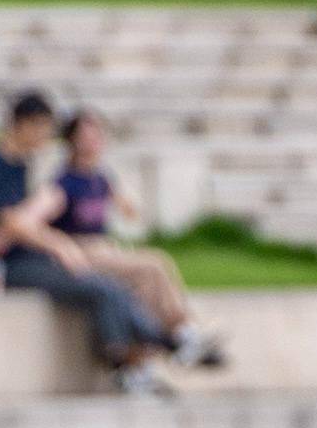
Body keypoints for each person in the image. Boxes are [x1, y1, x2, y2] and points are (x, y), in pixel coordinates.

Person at [0, 89, 171, 396]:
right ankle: (151, 347)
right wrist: (59, 245)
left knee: (107, 283)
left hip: (30, 257)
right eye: (42, 128)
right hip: (10, 265)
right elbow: (11, 222)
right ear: (24, 124)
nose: (46, 137)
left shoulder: (20, 165)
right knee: (100, 287)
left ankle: (150, 348)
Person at [55, 110, 226, 369]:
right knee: (154, 263)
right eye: (87, 136)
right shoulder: (65, 182)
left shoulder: (100, 178)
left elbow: (127, 208)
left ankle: (147, 356)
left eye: (97, 136)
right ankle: (182, 332)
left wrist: (126, 205)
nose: (94, 142)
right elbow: (43, 214)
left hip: (104, 249)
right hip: (82, 251)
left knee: (146, 285)